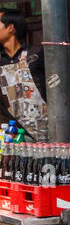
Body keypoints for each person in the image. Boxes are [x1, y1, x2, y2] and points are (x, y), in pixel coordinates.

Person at [0, 10, 48, 141]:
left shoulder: (36, 54)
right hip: (12, 134)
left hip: (43, 129)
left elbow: (56, 89)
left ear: (11, 28)